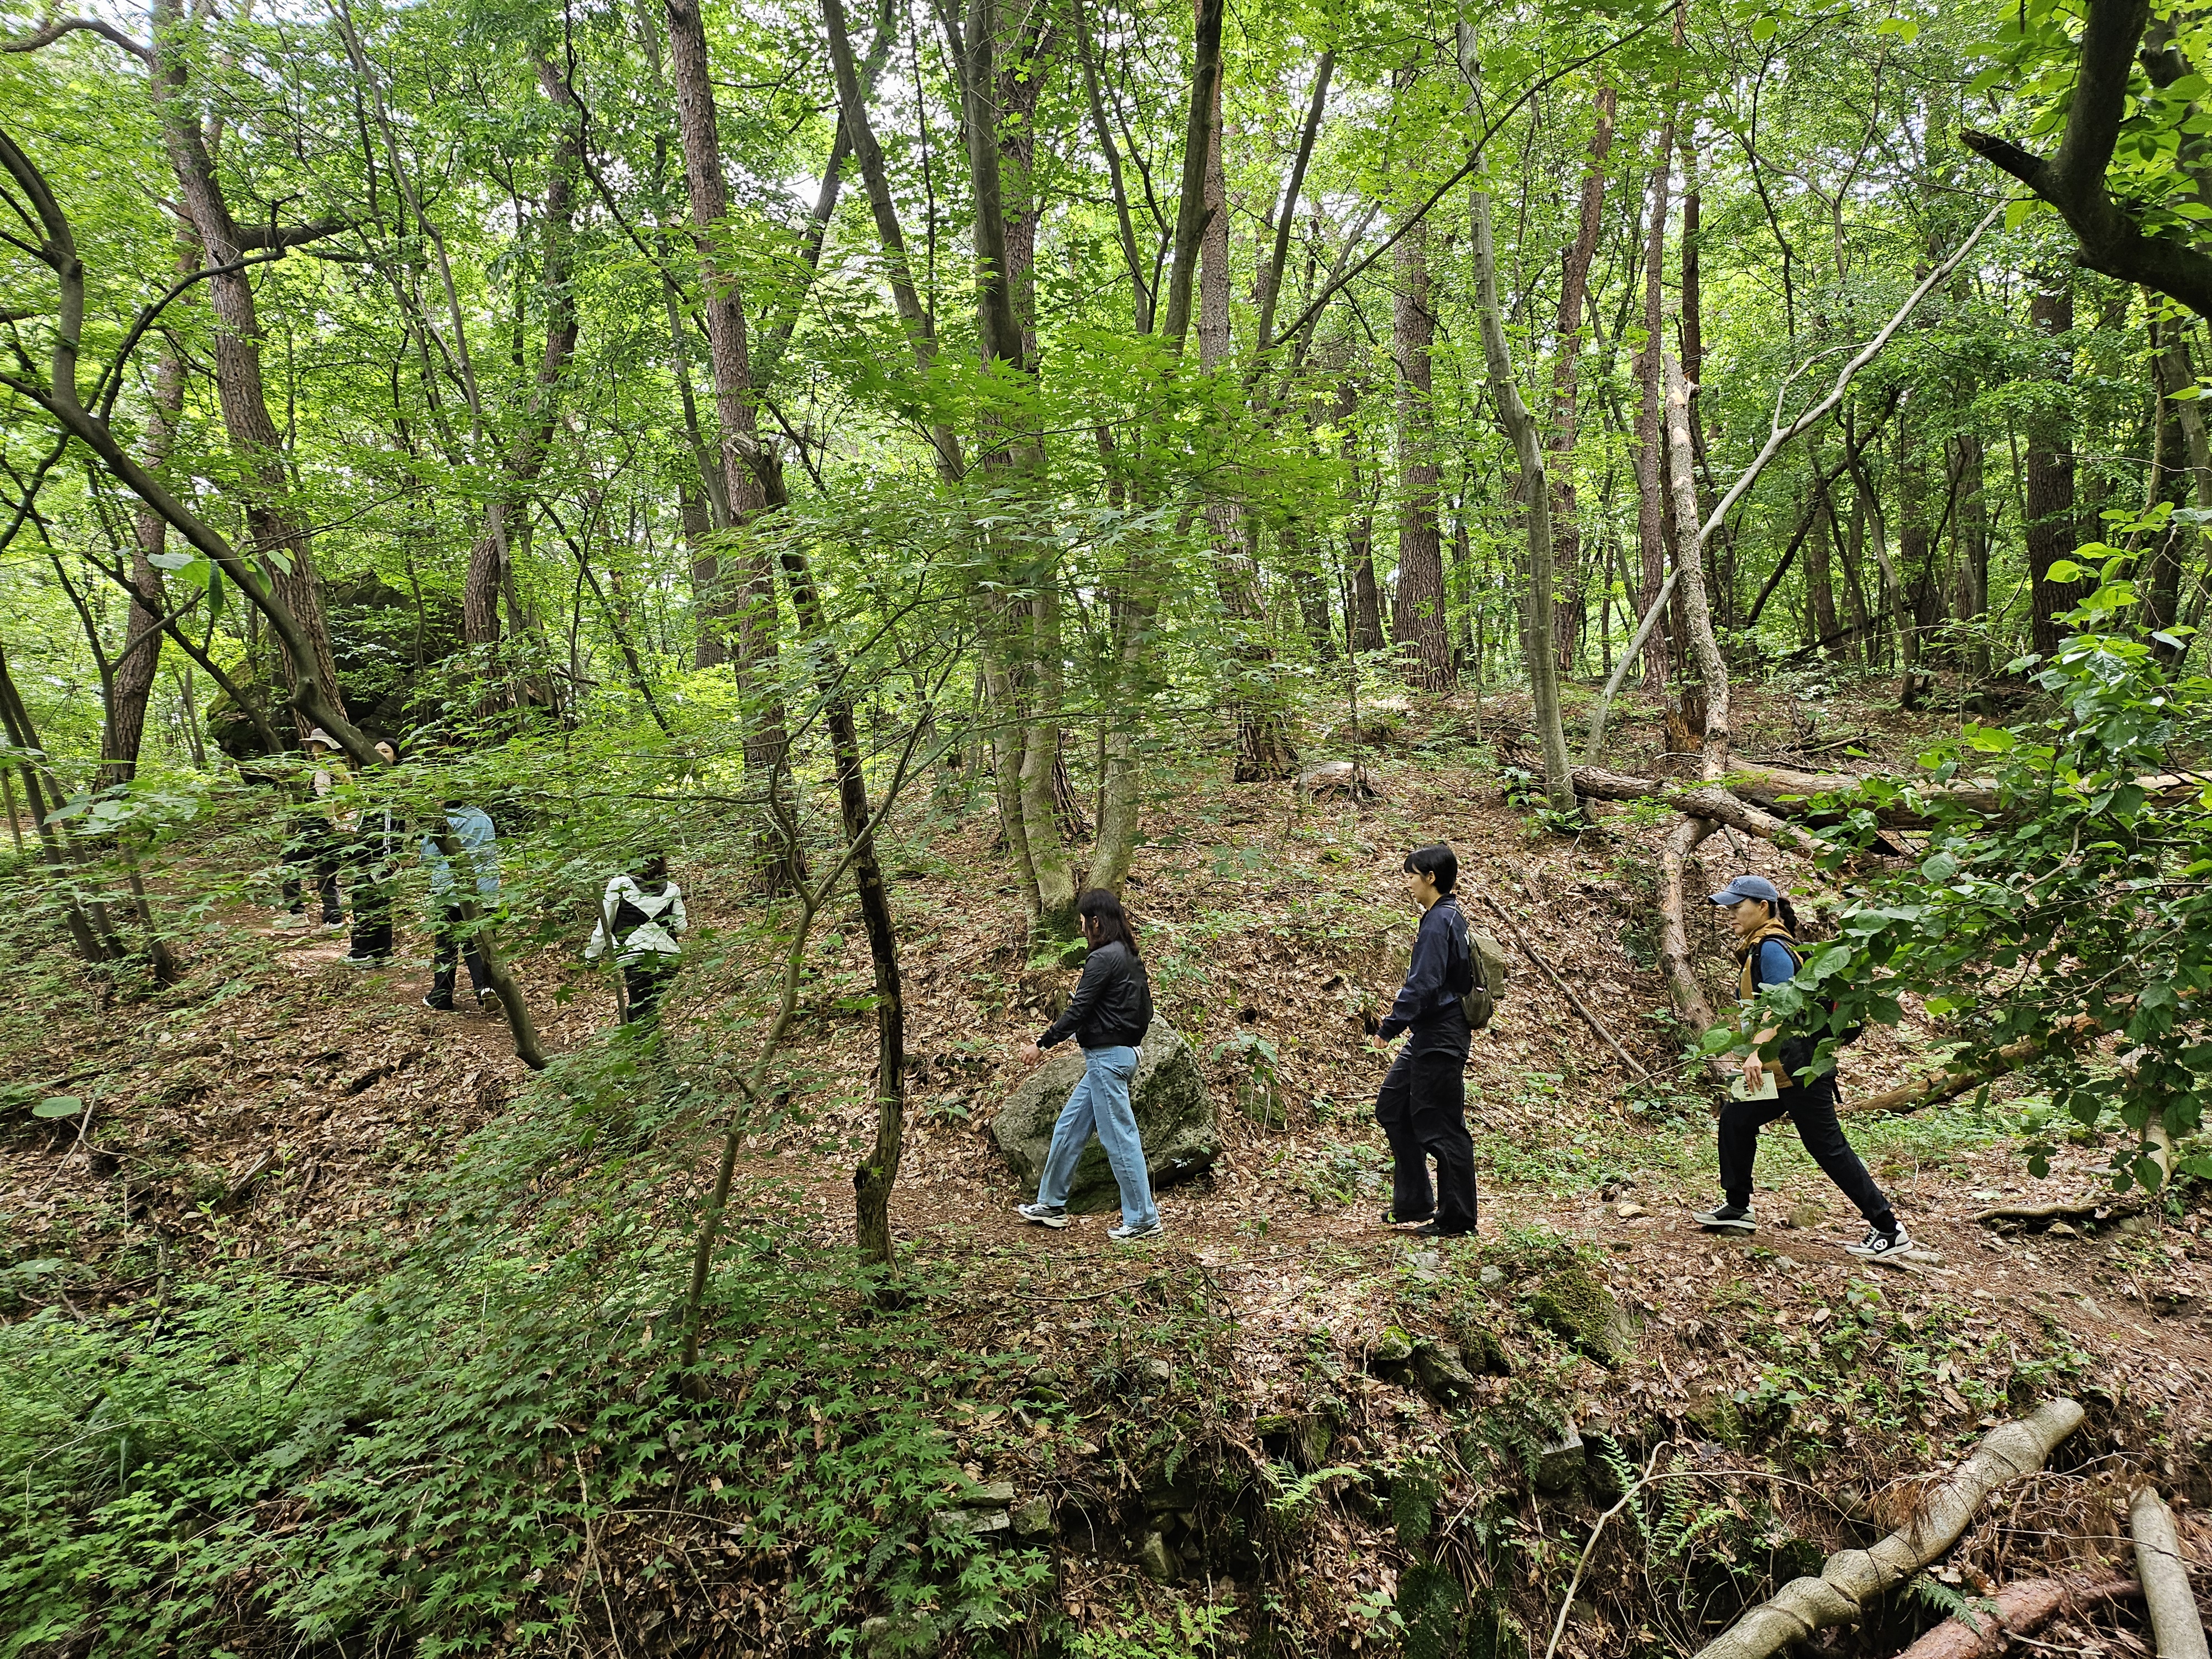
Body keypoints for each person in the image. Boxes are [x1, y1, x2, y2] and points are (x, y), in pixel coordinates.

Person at [1692, 874, 1915, 1259]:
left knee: (1827, 1147)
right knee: (1736, 1120)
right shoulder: (1759, 946)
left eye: (1737, 907)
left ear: (1763, 907)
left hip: (1799, 1069)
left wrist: (1756, 1051)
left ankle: (1888, 1229)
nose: (1731, 914)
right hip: (1779, 1070)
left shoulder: (1772, 948)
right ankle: (1738, 1208)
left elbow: (1783, 1005)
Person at [1013, 889, 1162, 1243]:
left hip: (1107, 1061)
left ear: (1095, 921)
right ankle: (1051, 1204)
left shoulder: (1103, 958)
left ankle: (1143, 1219)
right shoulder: (1128, 955)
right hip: (1117, 1057)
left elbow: (1078, 1010)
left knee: (1119, 1138)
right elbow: (1147, 1011)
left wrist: (1041, 1044)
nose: (1081, 928)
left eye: (1083, 921)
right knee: (1070, 1126)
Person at [1372, 843, 1480, 1239]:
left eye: (1412, 876)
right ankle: (1414, 1201)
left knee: (1442, 1126)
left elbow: (1424, 984)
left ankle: (1457, 1218)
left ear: (1431, 878)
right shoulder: (1444, 917)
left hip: (1441, 1036)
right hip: (1428, 1034)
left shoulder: (1440, 922)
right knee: (1393, 1107)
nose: (1409, 883)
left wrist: (1389, 1028)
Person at [584, 853, 687, 1027]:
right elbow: (680, 927)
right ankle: (636, 1036)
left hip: (636, 958)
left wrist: (592, 958)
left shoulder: (619, 884)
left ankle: (648, 1043)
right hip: (670, 959)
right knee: (645, 1007)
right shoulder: (672, 888)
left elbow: (605, 926)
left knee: (642, 1011)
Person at [421, 802, 499, 1013]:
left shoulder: (443, 822)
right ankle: (485, 989)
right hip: (485, 890)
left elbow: (428, 857)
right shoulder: (483, 818)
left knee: (446, 945)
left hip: (450, 892)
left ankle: (441, 996)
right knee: (478, 943)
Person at [342, 738, 405, 966]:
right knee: (375, 903)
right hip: (364, 857)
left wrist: (389, 858)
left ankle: (363, 954)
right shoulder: (371, 786)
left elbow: (391, 826)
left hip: (379, 858)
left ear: (395, 757)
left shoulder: (391, 788)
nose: (379, 755)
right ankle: (382, 953)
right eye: (375, 751)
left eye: (385, 751)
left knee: (366, 903)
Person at [279, 728, 347, 928]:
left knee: (290, 865)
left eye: (315, 745)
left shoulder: (324, 768)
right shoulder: (341, 767)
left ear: (324, 746)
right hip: (337, 829)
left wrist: (331, 821)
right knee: (327, 874)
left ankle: (296, 914)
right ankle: (334, 921)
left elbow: (325, 798)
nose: (312, 749)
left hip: (318, 827)